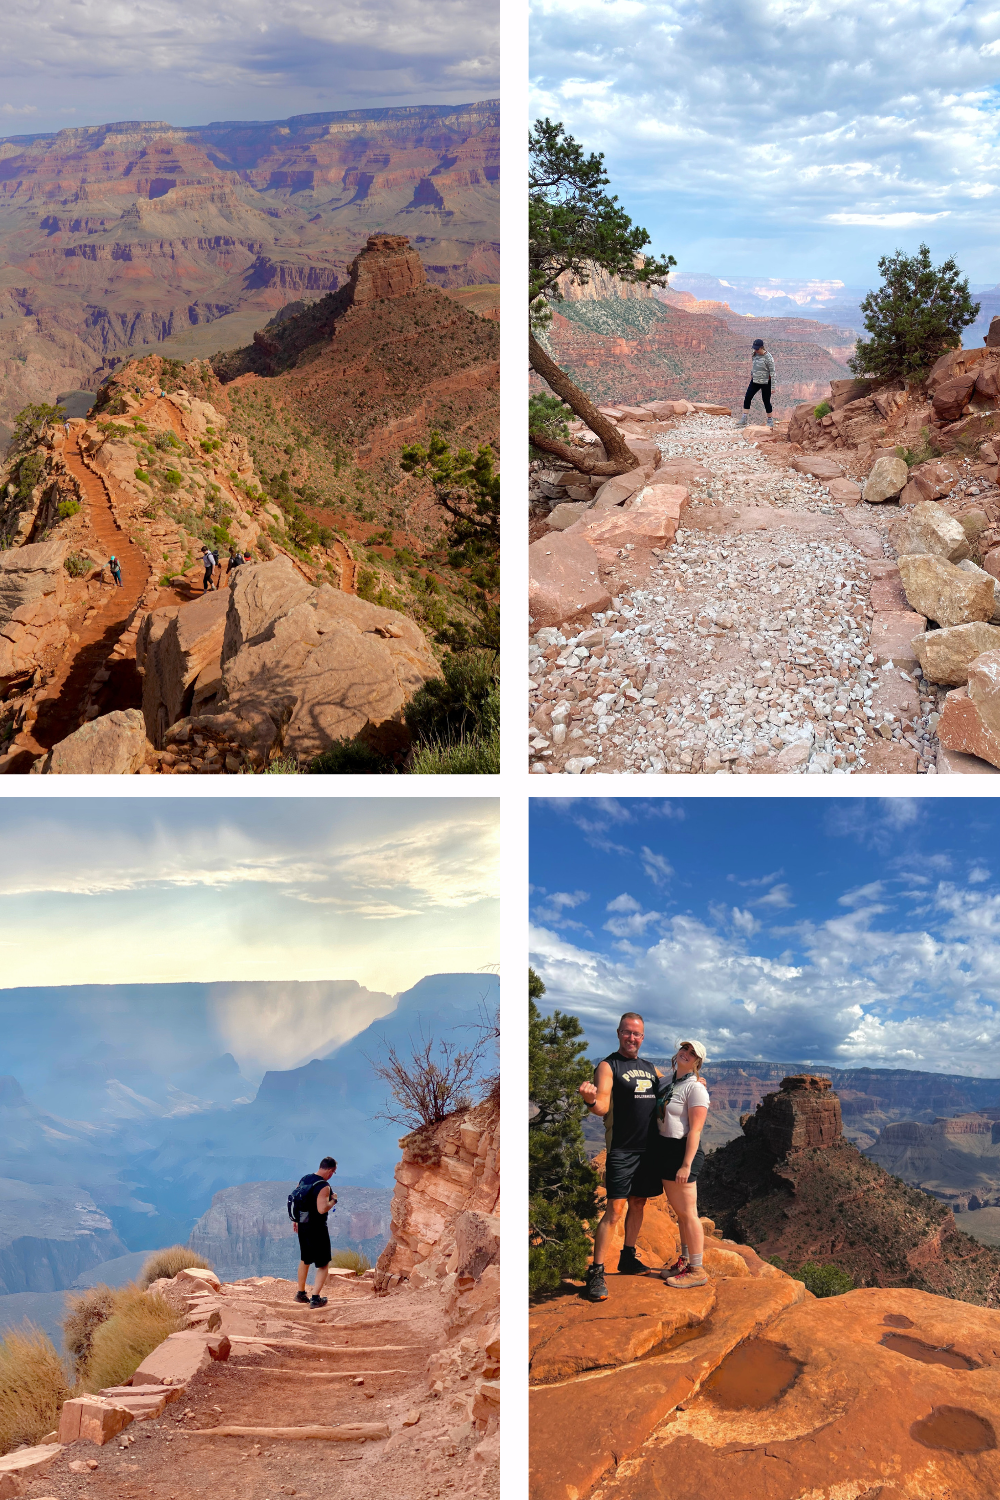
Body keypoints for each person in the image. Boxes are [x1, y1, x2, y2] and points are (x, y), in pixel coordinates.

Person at [577, 1011, 662, 1302]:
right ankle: (597, 1272)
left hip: (648, 1150)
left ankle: (628, 1256)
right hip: (622, 1148)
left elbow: (673, 1089)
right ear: (618, 1033)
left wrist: (696, 1082)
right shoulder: (608, 1065)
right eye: (627, 1032)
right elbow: (602, 1105)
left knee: (638, 1203)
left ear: (643, 1037)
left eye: (637, 1033)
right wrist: (590, 1099)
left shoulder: (650, 1068)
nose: (632, 1038)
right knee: (615, 1210)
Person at [654, 1040, 711, 1288]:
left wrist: (686, 1165)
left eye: (692, 1053)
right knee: (680, 1214)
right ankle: (685, 1261)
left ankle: (697, 1270)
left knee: (689, 1214)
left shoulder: (695, 1089)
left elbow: (695, 1131)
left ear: (698, 1061)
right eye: (683, 1049)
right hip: (665, 1150)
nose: (685, 1054)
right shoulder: (667, 1082)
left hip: (683, 1151)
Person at [291, 1155, 338, 1307]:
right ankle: (316, 1298)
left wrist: (296, 1220)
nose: (332, 1175)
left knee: (305, 1259)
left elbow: (298, 1200)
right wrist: (334, 1200)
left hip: (303, 1225)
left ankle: (300, 1293)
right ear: (330, 1170)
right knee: (323, 1264)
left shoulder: (304, 1179)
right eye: (333, 1172)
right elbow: (322, 1208)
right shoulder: (323, 1186)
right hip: (317, 1228)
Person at [738, 339, 776, 429]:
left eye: (757, 349)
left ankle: (770, 420)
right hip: (755, 381)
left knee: (766, 401)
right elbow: (754, 365)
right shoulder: (754, 354)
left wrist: (773, 386)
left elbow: (773, 372)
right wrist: (752, 374)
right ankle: (744, 418)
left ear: (761, 347)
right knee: (748, 397)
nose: (755, 350)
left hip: (766, 382)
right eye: (754, 348)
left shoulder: (768, 357)